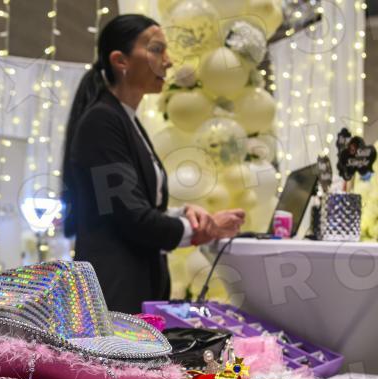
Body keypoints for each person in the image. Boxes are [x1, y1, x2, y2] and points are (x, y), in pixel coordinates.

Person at [62, 14, 245, 312]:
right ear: (120, 61)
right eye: (157, 50)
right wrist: (204, 230)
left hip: (136, 287)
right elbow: (131, 218)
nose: (168, 61)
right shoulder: (102, 122)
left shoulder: (125, 120)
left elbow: (132, 206)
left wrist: (184, 214)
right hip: (115, 294)